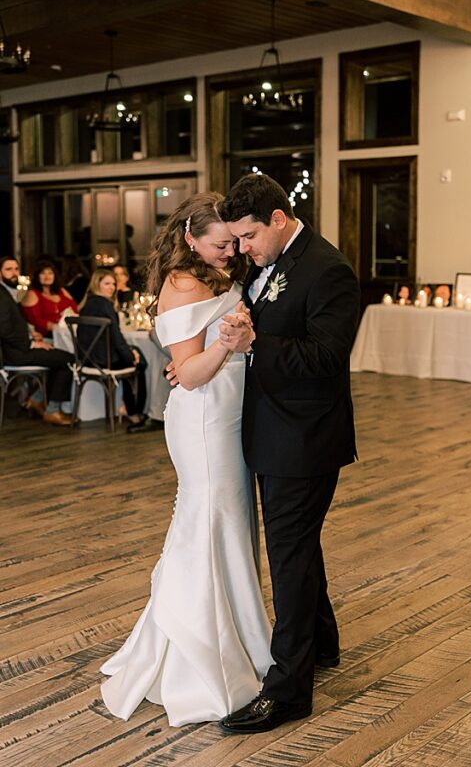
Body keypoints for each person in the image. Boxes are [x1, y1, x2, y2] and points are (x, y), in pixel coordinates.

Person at [99, 192, 272, 725]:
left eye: (234, 243)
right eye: (220, 244)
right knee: (210, 522)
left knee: (232, 525)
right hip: (204, 421)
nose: (230, 252)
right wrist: (229, 344)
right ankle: (201, 650)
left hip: (232, 415)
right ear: (191, 239)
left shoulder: (218, 274)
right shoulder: (182, 283)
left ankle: (242, 637)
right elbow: (190, 372)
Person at [214, 172, 359, 734]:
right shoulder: (267, 262)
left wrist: (257, 344)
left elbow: (326, 358)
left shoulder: (330, 270)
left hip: (304, 437)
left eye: (248, 237)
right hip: (272, 430)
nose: (242, 250)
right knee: (298, 546)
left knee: (290, 556)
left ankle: (289, 690)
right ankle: (322, 642)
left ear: (278, 219)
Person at [0, 255, 74, 426]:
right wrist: (32, 343)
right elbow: (4, 330)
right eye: (8, 269)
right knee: (68, 360)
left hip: (20, 348)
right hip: (15, 354)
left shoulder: (9, 291)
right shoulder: (2, 294)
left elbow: (12, 325)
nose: (14, 273)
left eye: (16, 269)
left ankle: (36, 399)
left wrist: (31, 334)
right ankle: (52, 410)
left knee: (60, 358)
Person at [76, 269, 150, 431]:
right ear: (97, 284)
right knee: (140, 363)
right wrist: (131, 355)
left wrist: (130, 352)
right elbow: (117, 339)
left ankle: (126, 406)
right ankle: (133, 411)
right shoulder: (106, 305)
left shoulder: (86, 304)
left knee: (132, 352)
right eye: (107, 283)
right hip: (105, 360)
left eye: (113, 284)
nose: (112, 287)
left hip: (87, 359)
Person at [21, 260, 77, 337]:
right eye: (43, 273)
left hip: (70, 330)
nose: (47, 277)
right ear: (37, 276)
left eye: (50, 273)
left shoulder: (61, 291)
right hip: (48, 335)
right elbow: (36, 322)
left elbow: (75, 310)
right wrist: (58, 328)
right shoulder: (32, 294)